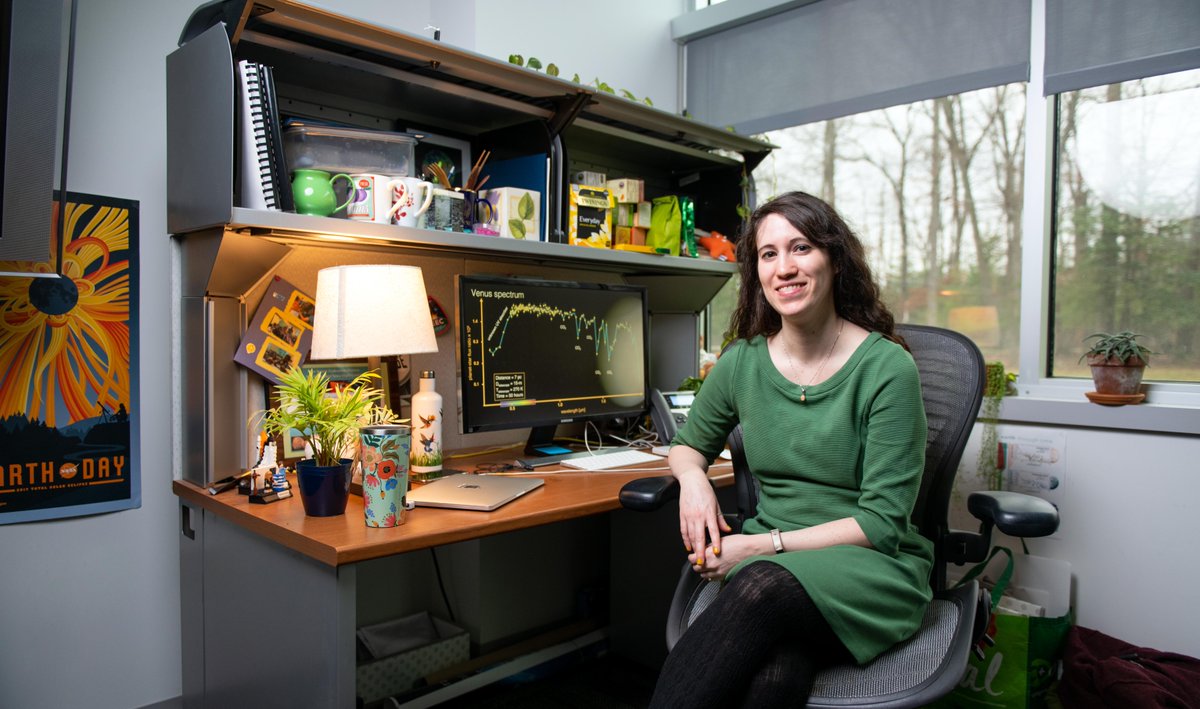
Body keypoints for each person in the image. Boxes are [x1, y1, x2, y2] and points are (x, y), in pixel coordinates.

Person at [649, 191, 933, 708]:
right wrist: (692, 481)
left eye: (801, 248)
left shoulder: (887, 368)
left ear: (835, 259)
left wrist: (759, 546)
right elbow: (687, 445)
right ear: (757, 272)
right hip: (776, 573)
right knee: (777, 670)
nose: (785, 268)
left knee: (762, 590)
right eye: (769, 253)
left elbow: (881, 524)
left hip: (865, 567)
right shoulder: (742, 362)